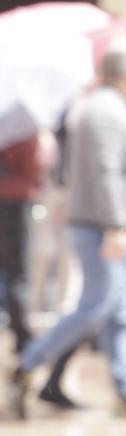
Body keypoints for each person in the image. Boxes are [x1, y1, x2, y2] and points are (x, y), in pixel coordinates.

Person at [8, 48, 126, 419]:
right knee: (95, 307)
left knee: (121, 311)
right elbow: (104, 174)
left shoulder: (104, 108)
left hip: (111, 224)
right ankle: (28, 363)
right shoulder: (104, 111)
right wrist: (116, 225)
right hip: (104, 225)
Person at [0, 132, 53, 355]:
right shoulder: (23, 130)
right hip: (16, 202)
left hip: (10, 198)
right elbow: (36, 166)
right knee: (18, 272)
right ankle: (23, 338)